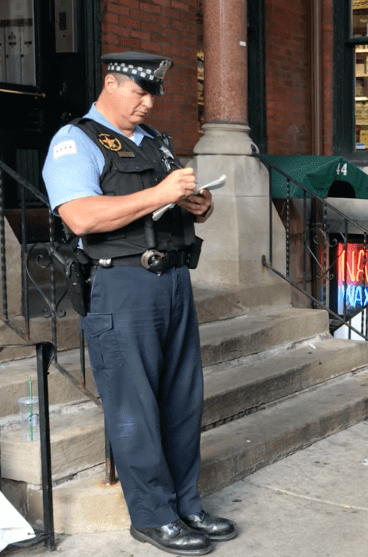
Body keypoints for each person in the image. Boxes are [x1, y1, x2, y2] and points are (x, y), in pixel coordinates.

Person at [42, 52, 236, 556]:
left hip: (172, 281)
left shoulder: (155, 142)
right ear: (110, 82)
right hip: (122, 286)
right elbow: (81, 217)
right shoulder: (75, 141)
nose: (148, 103)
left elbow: (175, 208)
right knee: (136, 409)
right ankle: (152, 516)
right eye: (139, 92)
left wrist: (200, 204)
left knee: (181, 402)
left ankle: (185, 504)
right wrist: (159, 192)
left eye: (154, 95)